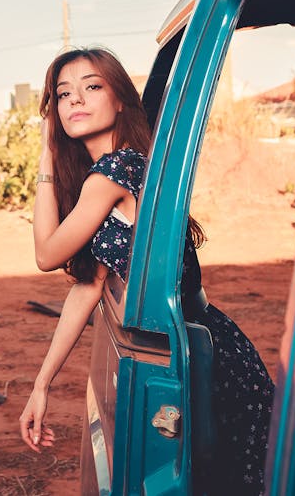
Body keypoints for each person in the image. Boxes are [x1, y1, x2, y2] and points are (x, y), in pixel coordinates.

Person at [19, 47, 275, 495]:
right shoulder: (120, 168)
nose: (75, 100)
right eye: (63, 94)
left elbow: (46, 254)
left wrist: (45, 157)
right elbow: (90, 285)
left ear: (120, 99)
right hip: (201, 346)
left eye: (91, 86)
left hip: (204, 359)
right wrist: (42, 384)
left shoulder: (115, 173)